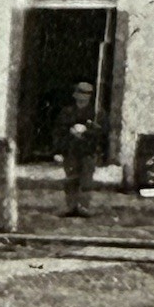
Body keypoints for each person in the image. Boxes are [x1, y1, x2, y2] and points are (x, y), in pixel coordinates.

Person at [53, 81, 104, 218]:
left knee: (86, 180)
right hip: (71, 151)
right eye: (80, 93)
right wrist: (58, 151)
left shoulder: (96, 113)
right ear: (74, 95)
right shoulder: (67, 112)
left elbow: (102, 132)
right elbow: (59, 132)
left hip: (88, 151)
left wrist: (86, 131)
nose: (83, 97)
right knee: (71, 180)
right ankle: (71, 206)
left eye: (87, 94)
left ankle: (84, 206)